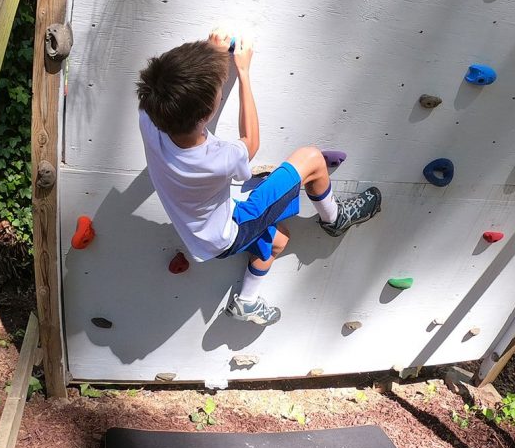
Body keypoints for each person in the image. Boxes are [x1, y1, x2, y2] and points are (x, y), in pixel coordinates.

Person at [136, 29, 381, 326]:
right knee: (312, 158)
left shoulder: (149, 117)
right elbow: (250, 142)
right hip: (233, 228)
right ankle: (335, 219)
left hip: (200, 234)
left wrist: (210, 56)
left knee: (279, 240)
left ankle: (247, 302)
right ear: (207, 112)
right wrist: (242, 71)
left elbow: (173, 88)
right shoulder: (219, 158)